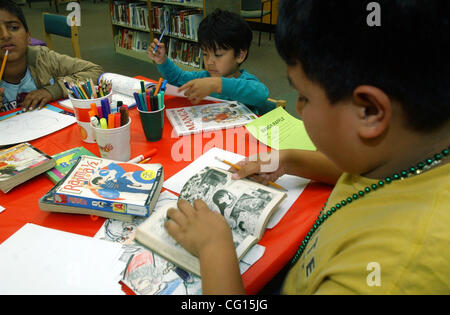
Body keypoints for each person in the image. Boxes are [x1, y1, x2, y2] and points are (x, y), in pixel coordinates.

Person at [163, 0, 450, 294]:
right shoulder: (401, 153)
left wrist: (214, 249)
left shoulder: (391, 275)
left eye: (304, 97)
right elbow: (352, 170)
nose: (297, 107)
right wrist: (286, 160)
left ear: (369, 111)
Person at [148, 9, 272, 115]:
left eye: (218, 55)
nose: (210, 61)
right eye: (205, 54)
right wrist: (162, 60)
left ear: (240, 55)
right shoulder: (204, 78)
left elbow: (261, 94)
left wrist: (217, 84)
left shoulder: (247, 82)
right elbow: (178, 78)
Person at [0, 0, 103, 112]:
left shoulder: (42, 58)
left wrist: (53, 90)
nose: (5, 35)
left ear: (28, 36)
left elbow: (95, 71)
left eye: (14, 27)